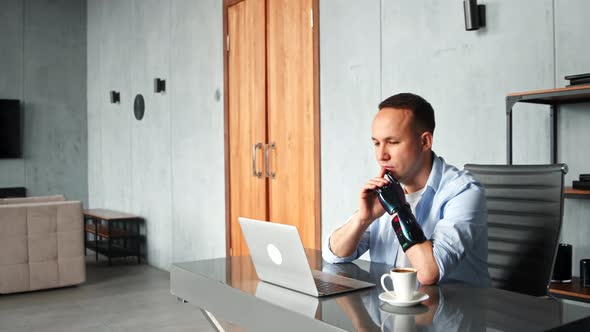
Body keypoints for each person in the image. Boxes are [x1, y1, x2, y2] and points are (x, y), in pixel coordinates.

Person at [322, 92, 490, 287]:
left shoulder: (464, 192)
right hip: (393, 312)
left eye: (392, 142)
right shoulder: (386, 189)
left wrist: (399, 210)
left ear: (425, 141)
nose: (381, 155)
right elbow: (334, 254)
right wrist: (363, 218)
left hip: (451, 310)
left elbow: (428, 274)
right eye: (376, 143)